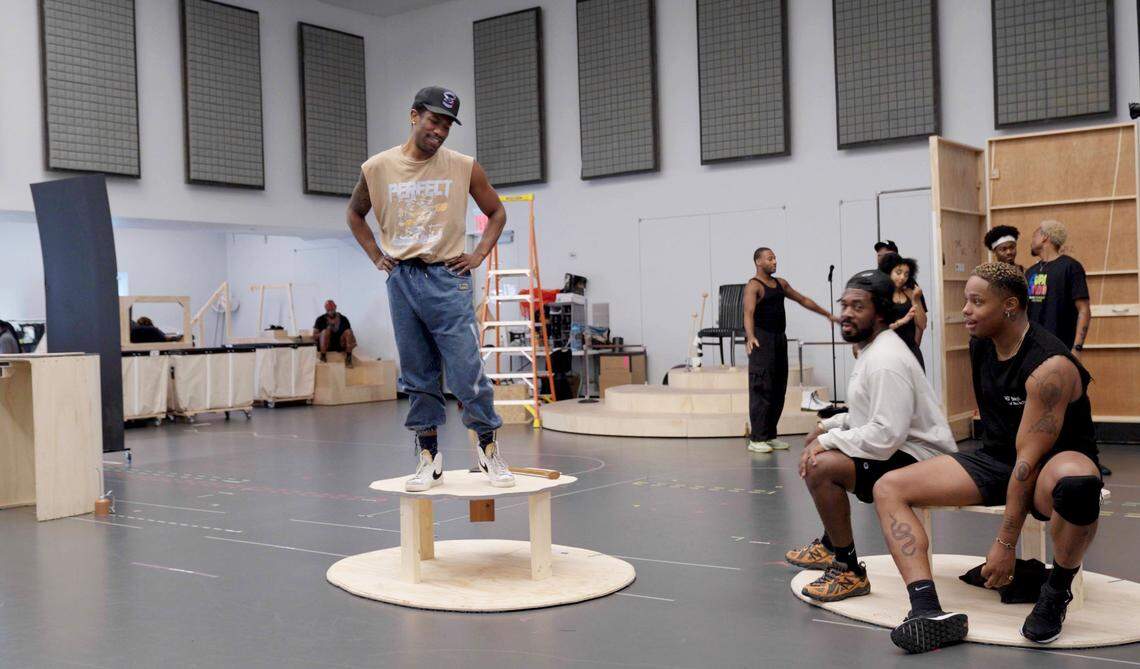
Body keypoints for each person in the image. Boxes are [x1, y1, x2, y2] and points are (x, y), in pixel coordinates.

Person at [872, 263, 1102, 653]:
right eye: (966, 301)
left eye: (977, 302)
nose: (965, 310)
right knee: (888, 486)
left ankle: (1055, 593)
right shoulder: (981, 342)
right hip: (999, 457)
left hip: (1052, 463)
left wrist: (1005, 543)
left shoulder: (1050, 367)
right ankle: (926, 608)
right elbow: (1004, 442)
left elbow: (1028, 462)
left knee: (1078, 486)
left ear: (1010, 306)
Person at [345, 85, 513, 492]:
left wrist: (477, 256)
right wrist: (377, 257)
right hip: (402, 278)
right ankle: (428, 457)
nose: (440, 131)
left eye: (448, 125)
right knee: (418, 374)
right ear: (415, 115)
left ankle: (488, 450)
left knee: (465, 371)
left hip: (447, 276)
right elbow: (354, 214)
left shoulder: (463, 166)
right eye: (435, 120)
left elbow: (496, 212)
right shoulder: (378, 168)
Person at [786, 270, 956, 603]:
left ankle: (847, 569)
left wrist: (829, 440)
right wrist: (827, 426)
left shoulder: (885, 359)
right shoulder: (872, 350)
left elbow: (884, 435)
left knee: (822, 466)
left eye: (858, 307)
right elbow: (869, 415)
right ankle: (829, 543)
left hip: (924, 459)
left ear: (879, 313)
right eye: (844, 305)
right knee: (820, 444)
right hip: (899, 446)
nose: (846, 313)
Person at [744, 247, 839, 453]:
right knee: (762, 389)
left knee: (778, 389)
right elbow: (748, 312)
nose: (775, 261)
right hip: (762, 341)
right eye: (770, 259)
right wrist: (750, 336)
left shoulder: (781, 284)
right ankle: (757, 438)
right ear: (758, 262)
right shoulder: (754, 286)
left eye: (775, 258)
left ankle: (770, 435)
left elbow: (803, 299)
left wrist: (826, 314)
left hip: (779, 340)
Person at [1025, 220, 1090, 355]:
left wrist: (1077, 348)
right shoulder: (1030, 272)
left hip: (1061, 348)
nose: (1031, 241)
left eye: (1034, 236)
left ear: (1044, 237)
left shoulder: (1071, 267)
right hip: (1032, 348)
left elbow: (1084, 309)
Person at [877, 253, 927, 370]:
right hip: (889, 352)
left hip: (911, 350)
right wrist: (901, 322)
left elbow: (922, 324)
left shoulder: (910, 292)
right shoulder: (881, 295)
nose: (902, 277)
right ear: (889, 272)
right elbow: (878, 329)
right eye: (898, 273)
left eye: (906, 274)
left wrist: (915, 299)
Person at [314, 300, 357, 367]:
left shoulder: (343, 319)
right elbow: (314, 336)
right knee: (325, 332)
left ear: (335, 307)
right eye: (328, 310)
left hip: (340, 345)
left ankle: (348, 358)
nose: (331, 312)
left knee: (349, 332)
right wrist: (323, 332)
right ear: (325, 309)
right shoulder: (320, 319)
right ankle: (323, 356)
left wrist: (351, 341)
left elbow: (350, 334)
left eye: (332, 309)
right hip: (326, 346)